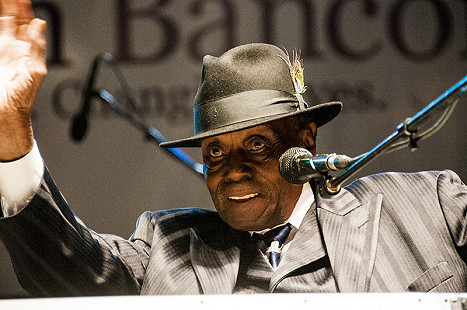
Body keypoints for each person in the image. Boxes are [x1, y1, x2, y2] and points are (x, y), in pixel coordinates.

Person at [0, 0, 465, 296]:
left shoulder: (428, 205)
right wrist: (10, 135)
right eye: (216, 153)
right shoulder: (167, 245)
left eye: (256, 145)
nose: (232, 171)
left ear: (306, 138)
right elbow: (67, 269)